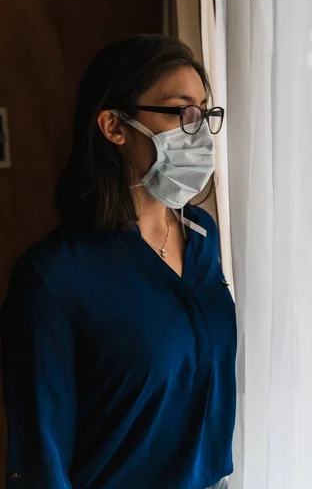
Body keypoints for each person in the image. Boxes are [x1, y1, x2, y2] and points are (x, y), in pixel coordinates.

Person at [1, 35, 237, 489]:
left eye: (205, 113)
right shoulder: (52, 279)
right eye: (182, 112)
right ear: (114, 126)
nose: (201, 131)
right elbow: (38, 455)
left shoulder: (203, 238)